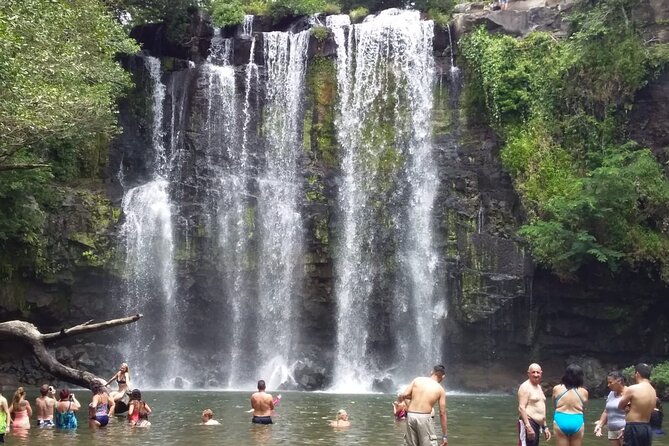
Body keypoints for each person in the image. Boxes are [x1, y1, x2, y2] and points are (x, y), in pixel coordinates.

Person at [397, 364, 448, 446]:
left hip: (411, 416)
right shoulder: (440, 389)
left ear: (432, 372)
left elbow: (404, 394)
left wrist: (413, 397)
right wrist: (445, 436)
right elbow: (442, 413)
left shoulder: (417, 380)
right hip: (424, 418)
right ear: (443, 377)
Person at [618, 363, 657, 446]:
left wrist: (628, 406)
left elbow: (620, 406)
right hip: (647, 428)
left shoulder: (633, 388)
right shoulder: (653, 391)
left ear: (637, 374)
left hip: (634, 427)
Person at [552, 364, 589, 446]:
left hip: (560, 419)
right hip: (577, 419)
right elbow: (584, 409)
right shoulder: (584, 392)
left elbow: (554, 405)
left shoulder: (557, 389)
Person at [518, 363, 551, 446]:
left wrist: (545, 427)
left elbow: (541, 407)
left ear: (541, 373)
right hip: (529, 422)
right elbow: (521, 408)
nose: (536, 375)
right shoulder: (525, 387)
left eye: (538, 372)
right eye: (533, 372)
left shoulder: (539, 387)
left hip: (537, 424)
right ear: (528, 373)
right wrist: (528, 427)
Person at [595, 371, 627, 446]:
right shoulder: (611, 394)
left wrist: (627, 428)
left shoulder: (629, 393)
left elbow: (633, 413)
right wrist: (599, 425)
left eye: (610, 382)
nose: (608, 385)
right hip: (612, 430)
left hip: (624, 430)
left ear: (619, 381)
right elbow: (606, 411)